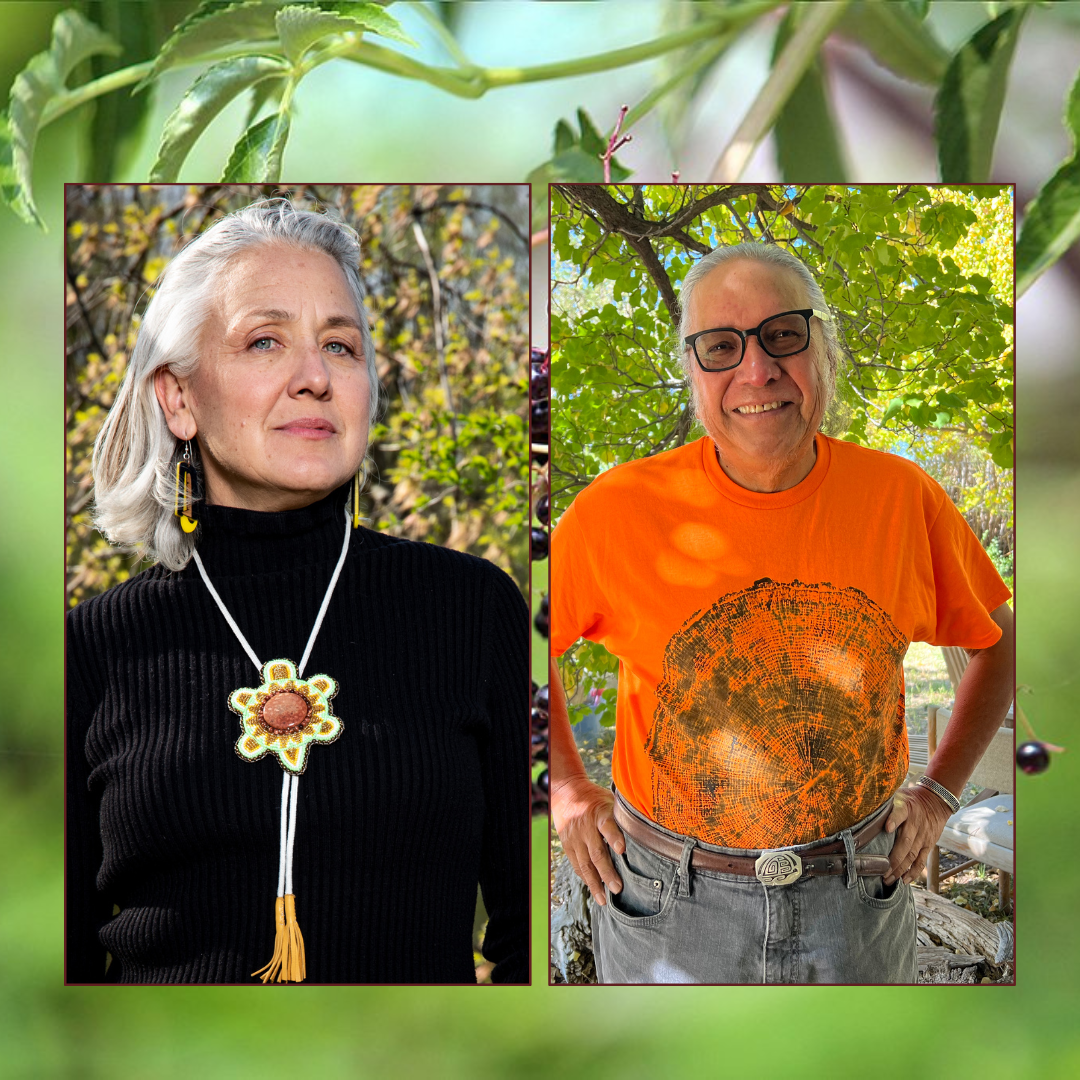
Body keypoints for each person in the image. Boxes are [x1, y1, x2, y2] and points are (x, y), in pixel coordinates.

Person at [66, 198, 529, 984]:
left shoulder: (475, 611)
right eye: (265, 340)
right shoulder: (91, 649)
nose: (314, 378)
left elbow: (533, 940)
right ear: (178, 398)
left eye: (341, 347)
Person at [549, 242, 1014, 984]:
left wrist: (938, 793)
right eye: (721, 346)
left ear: (822, 350)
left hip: (857, 899)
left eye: (783, 335)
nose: (757, 369)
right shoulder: (614, 512)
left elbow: (1001, 640)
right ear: (692, 370)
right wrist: (567, 786)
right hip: (672, 908)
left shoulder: (900, 498)